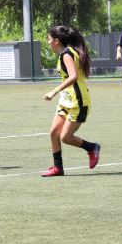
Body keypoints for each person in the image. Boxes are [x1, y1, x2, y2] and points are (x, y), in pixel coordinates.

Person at [42, 26, 100, 177]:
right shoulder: (65, 53)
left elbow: (73, 76)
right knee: (54, 132)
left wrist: (54, 91)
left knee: (65, 137)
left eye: (49, 39)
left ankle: (92, 148)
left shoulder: (67, 54)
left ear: (57, 40)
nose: (48, 42)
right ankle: (58, 168)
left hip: (78, 101)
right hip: (66, 100)